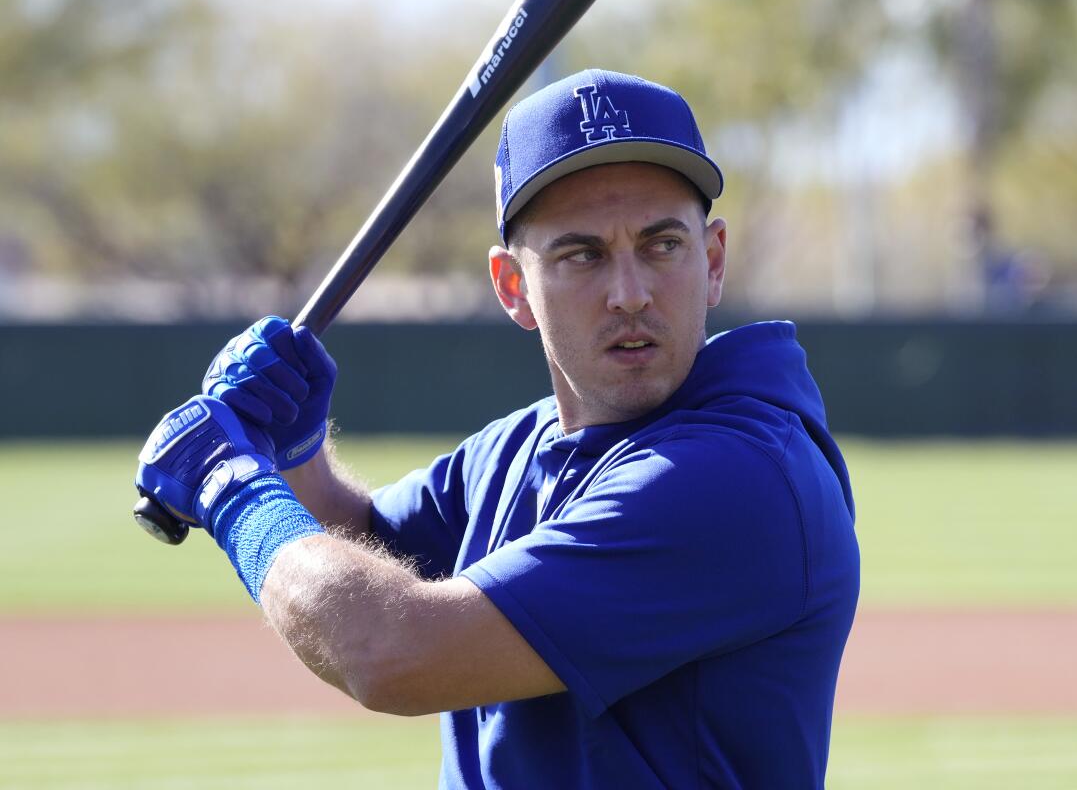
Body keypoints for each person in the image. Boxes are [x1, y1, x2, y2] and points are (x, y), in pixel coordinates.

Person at [135, 69, 860, 789]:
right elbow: (358, 546)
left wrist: (231, 487)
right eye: (583, 255)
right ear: (514, 287)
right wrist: (296, 455)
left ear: (712, 260)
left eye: (661, 244)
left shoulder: (737, 480)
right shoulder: (520, 447)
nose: (630, 293)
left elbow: (389, 650)